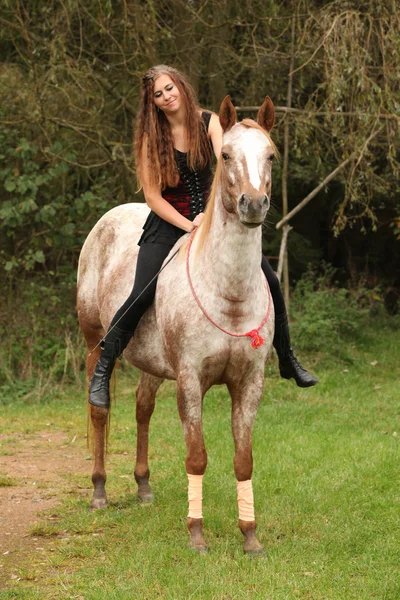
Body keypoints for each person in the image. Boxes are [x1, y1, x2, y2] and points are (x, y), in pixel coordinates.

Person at [88, 65, 318, 409]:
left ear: (181, 86)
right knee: (140, 291)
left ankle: (287, 357)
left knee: (270, 281)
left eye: (170, 88)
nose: (167, 96)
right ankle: (104, 369)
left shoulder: (209, 122)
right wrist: (187, 224)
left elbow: (227, 158)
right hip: (168, 223)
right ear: (152, 102)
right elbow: (152, 198)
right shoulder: (154, 137)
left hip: (209, 221)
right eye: (158, 94)